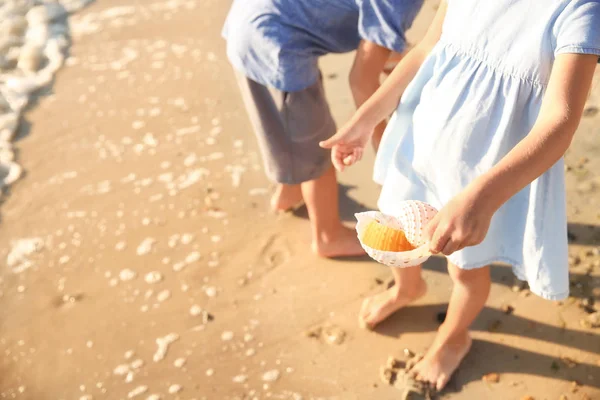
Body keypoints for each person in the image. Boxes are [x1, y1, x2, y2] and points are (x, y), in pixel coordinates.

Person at [320, 0, 600, 391]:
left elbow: (560, 122)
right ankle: (407, 288)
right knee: (399, 230)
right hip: (420, 147)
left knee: (465, 271)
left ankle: (453, 339)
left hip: (482, 181)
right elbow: (424, 50)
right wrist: (366, 118)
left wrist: (482, 199)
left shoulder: (578, 11)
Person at [222, 0, 424, 257]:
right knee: (317, 143)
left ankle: (290, 191)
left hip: (251, 20)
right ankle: (328, 236)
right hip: (276, 43)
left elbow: (378, 39)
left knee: (284, 125)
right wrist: (386, 147)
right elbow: (362, 81)